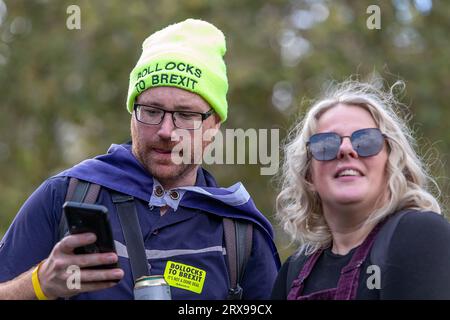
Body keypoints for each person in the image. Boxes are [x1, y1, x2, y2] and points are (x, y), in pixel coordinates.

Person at [0, 19, 280, 300]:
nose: (166, 131)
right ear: (132, 114)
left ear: (214, 125)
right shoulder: (68, 195)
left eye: (185, 115)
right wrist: (39, 284)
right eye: (151, 110)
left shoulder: (239, 235)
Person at [271, 80, 450, 300]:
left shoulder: (420, 233)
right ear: (309, 175)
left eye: (366, 141)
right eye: (326, 144)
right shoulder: (293, 271)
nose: (346, 149)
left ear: (392, 163)